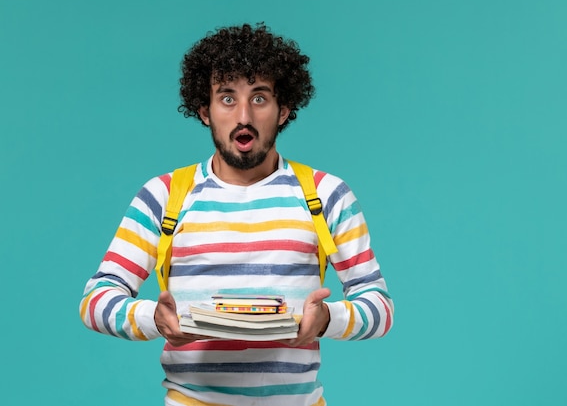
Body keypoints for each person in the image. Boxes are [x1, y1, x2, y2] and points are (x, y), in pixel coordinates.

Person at [79, 22, 394, 406]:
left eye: (259, 98)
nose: (243, 116)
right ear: (204, 111)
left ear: (283, 110)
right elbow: (95, 299)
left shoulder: (328, 195)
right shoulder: (162, 196)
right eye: (227, 98)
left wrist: (328, 319)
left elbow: (378, 305)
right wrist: (153, 319)